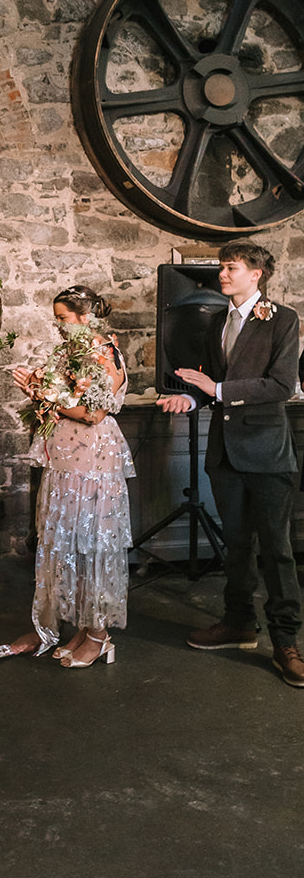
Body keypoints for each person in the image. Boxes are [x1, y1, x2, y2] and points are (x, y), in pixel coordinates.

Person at [157, 242, 303, 688]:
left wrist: (217, 390)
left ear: (256, 274)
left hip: (267, 452)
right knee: (237, 546)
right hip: (225, 455)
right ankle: (238, 624)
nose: (221, 274)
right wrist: (190, 396)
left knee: (276, 550)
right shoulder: (218, 321)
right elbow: (208, 383)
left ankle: (286, 644)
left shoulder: (283, 320)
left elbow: (280, 385)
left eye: (230, 267)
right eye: (221, 267)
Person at [0, 285, 132, 669]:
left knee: (91, 545)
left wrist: (41, 392)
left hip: (92, 461)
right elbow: (64, 400)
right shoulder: (73, 353)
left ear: (86, 318)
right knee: (67, 542)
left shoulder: (103, 353)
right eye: (56, 319)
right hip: (66, 458)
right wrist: (40, 390)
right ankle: (82, 629)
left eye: (63, 319)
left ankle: (100, 636)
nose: (58, 327)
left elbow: (93, 414)